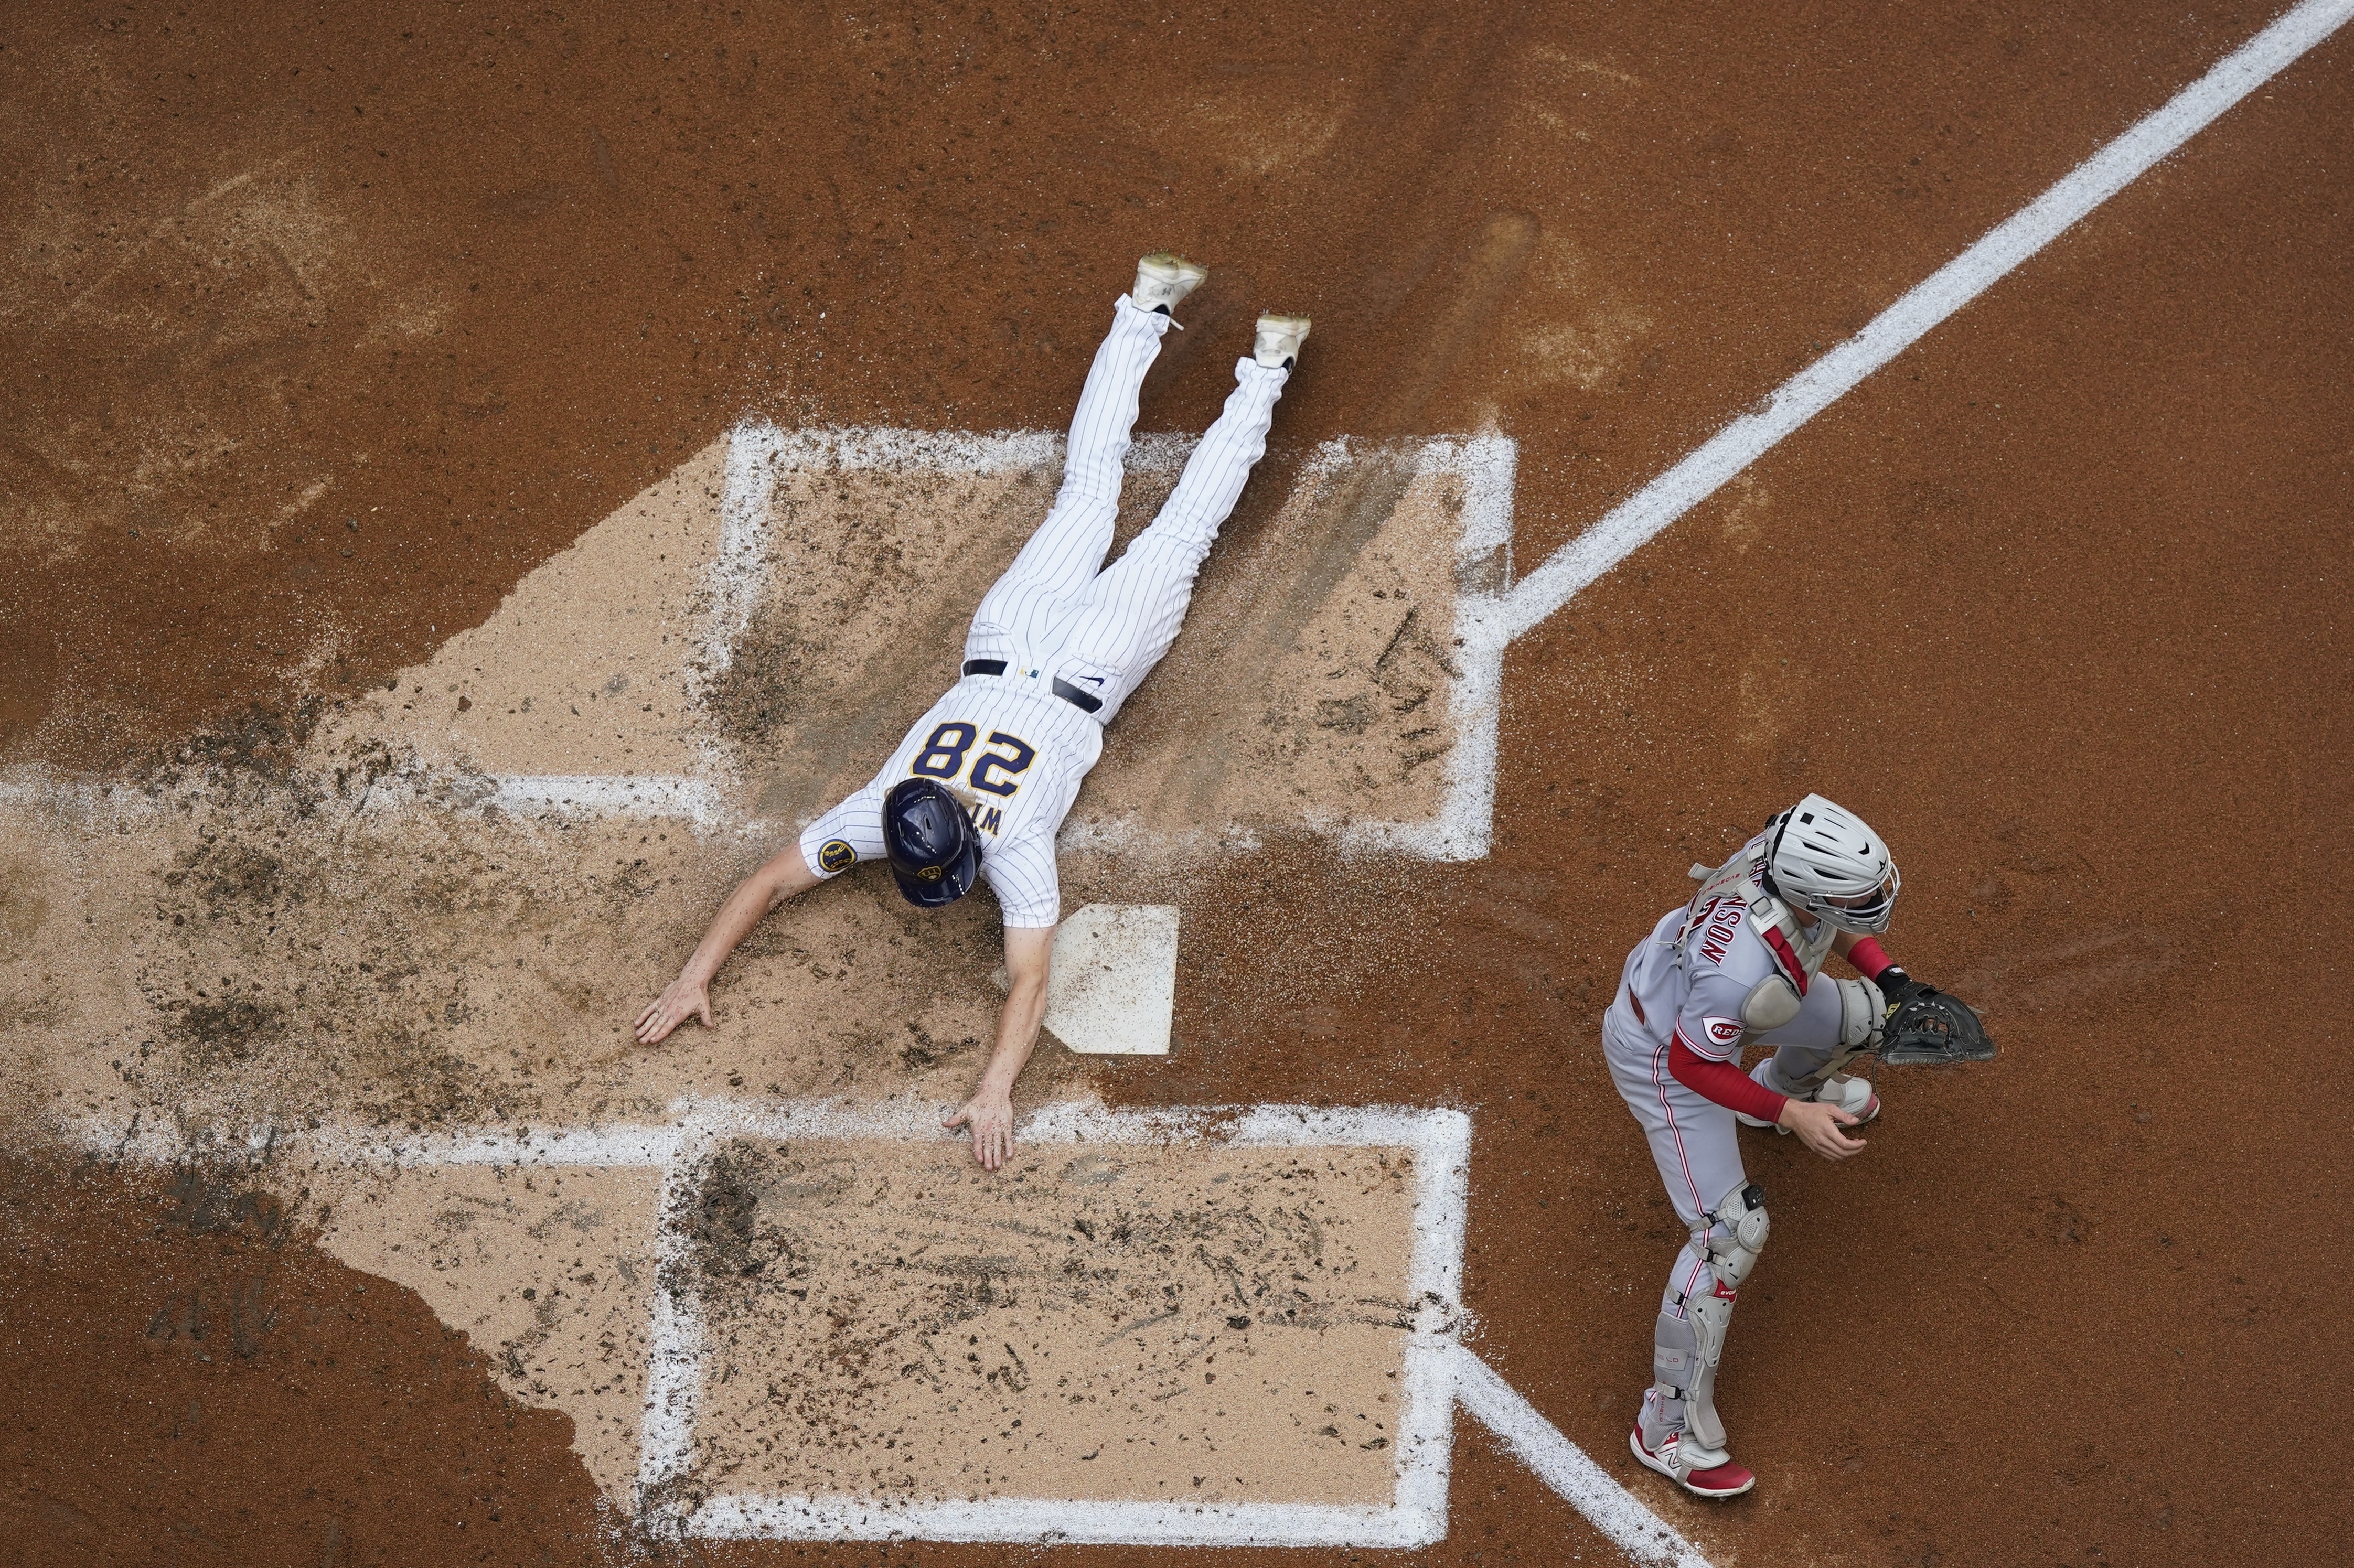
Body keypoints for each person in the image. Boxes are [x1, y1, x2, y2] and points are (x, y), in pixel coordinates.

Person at [634, 253, 1311, 1170]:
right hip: (1012, 625)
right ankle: (1147, 304)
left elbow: (1026, 982)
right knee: (1090, 486)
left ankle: (1268, 365)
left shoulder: (989, 840)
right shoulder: (883, 811)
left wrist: (995, 1084)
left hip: (1096, 657)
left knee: (1179, 529)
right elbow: (773, 885)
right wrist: (695, 973)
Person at [1604, 795, 1923, 1499]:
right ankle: (1663, 1429)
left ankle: (1781, 1084)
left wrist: (1893, 980)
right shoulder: (1735, 970)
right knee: (1730, 1233)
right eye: (1858, 895)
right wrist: (1794, 1115)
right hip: (1665, 1055)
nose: (1872, 901)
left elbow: (1831, 925)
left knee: (1874, 1016)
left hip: (1717, 1006)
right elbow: (1693, 1066)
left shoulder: (1785, 855)